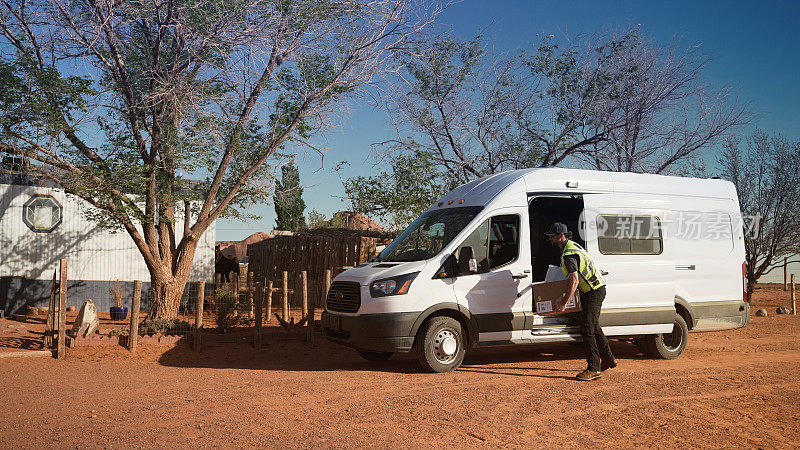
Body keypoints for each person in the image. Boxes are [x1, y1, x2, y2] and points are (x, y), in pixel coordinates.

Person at [545, 222, 616, 381]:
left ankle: (593, 368)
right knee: (594, 327)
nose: (550, 239)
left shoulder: (568, 254)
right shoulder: (571, 245)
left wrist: (564, 302)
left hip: (593, 291)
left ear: (560, 236)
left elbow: (574, 280)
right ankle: (609, 359)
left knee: (586, 329)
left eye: (552, 236)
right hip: (593, 289)